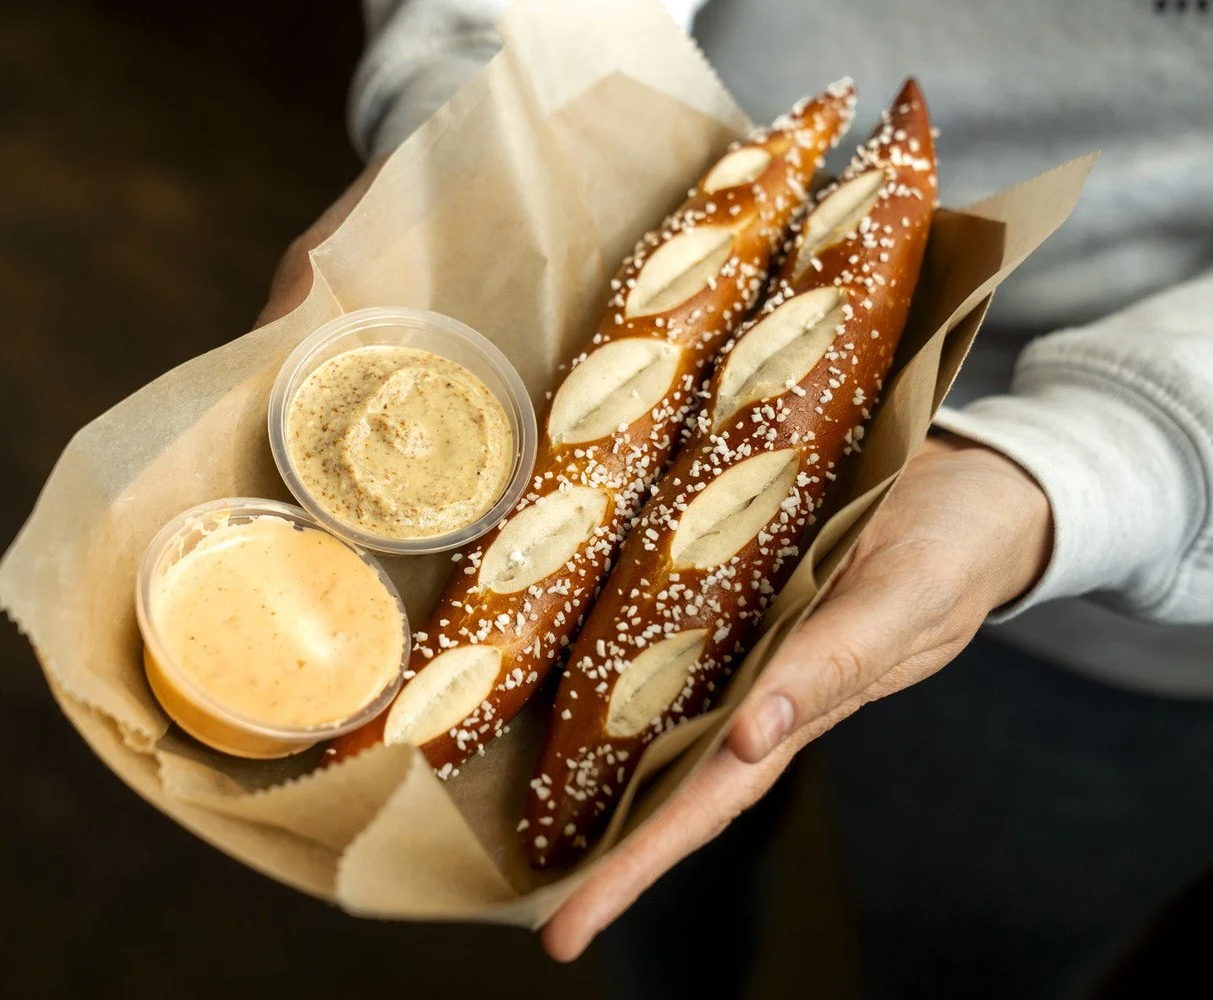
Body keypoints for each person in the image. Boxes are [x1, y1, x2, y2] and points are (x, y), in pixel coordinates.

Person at [260, 2, 1213, 995]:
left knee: (958, 950)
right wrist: (484, 110)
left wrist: (1102, 462)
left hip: (1117, 614)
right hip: (635, 183)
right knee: (652, 887)